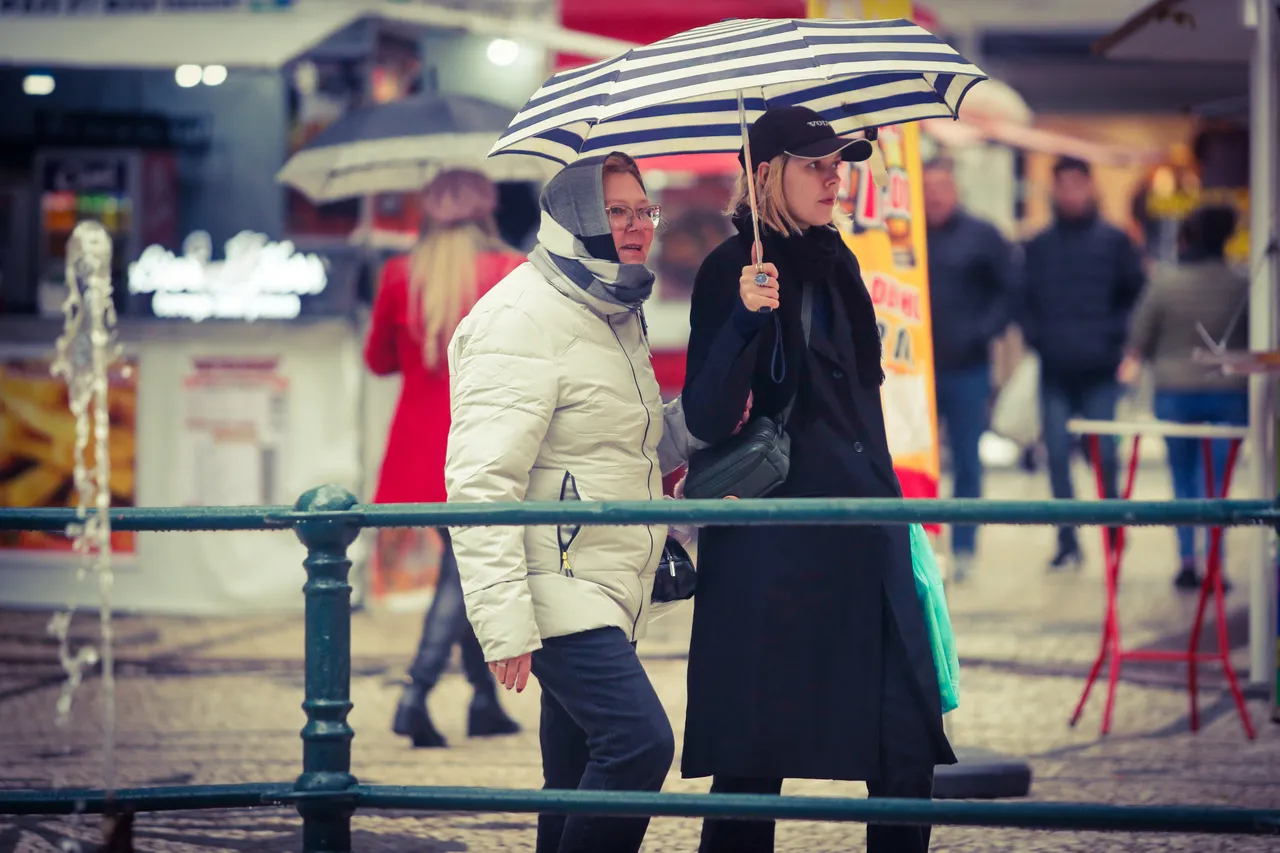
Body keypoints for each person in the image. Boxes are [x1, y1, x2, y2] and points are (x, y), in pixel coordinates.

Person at [680, 105, 956, 853]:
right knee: (749, 762)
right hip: (773, 549)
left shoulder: (839, 262)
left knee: (904, 744)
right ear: (767, 175)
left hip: (863, 530)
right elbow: (706, 415)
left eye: (840, 162)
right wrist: (742, 318)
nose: (837, 176)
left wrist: (901, 521)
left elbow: (857, 404)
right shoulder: (728, 269)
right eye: (816, 164)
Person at [445, 152, 697, 853]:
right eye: (618, 211)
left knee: (573, 774)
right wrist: (504, 624)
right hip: (553, 581)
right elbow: (479, 479)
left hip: (600, 581)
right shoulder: (521, 317)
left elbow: (628, 447)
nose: (638, 225)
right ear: (578, 218)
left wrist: (709, 415)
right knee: (638, 743)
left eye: (644, 210)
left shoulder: (612, 306)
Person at [365, 170, 523, 748]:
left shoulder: (399, 273)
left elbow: (379, 361)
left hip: (417, 450)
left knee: (465, 566)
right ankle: (416, 694)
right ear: (488, 210)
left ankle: (483, 703)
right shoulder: (510, 272)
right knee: (465, 571)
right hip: (482, 441)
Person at [1021, 157, 1146, 571]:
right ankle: (1067, 540)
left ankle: (1113, 536)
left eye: (1078, 185)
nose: (1071, 193)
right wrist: (1037, 336)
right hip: (1054, 369)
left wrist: (1116, 336)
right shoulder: (1039, 245)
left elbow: (1136, 296)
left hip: (1099, 369)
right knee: (1056, 457)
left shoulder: (1115, 241)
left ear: (1091, 187)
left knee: (1105, 455)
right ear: (1053, 190)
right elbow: (1023, 300)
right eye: (1063, 186)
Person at [1118, 206, 1248, 590]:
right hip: (1229, 392)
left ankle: (1187, 561)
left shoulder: (1166, 282)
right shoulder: (1242, 282)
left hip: (1176, 391)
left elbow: (1140, 334)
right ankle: (1216, 566)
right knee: (1219, 486)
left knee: (1184, 479)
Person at [922, 156, 1017, 580]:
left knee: (966, 461)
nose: (935, 195)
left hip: (968, 370)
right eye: (928, 188)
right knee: (918, 461)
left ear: (956, 189)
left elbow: (1011, 290)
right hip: (915, 372)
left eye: (942, 186)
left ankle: (963, 549)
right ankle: (921, 546)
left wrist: (984, 330)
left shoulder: (983, 236)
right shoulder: (907, 237)